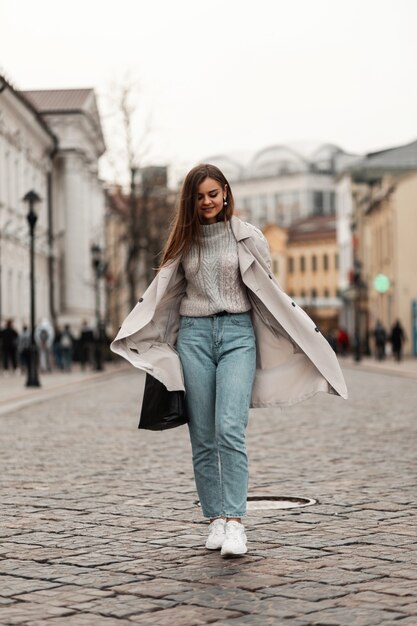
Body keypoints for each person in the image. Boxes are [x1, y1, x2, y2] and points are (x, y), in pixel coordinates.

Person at [111, 163, 347, 558]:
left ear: (225, 192)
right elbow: (166, 298)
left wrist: (296, 336)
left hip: (238, 336)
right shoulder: (183, 243)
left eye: (212, 194)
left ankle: (236, 522)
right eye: (199, 196)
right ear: (191, 200)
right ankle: (216, 519)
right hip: (195, 338)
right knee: (203, 434)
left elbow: (268, 293)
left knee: (229, 428)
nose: (207, 202)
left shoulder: (250, 237)